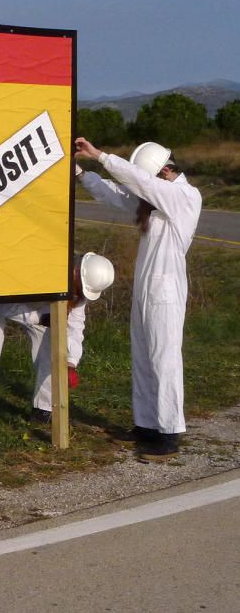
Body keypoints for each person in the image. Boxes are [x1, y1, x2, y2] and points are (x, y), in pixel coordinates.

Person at [75, 138, 202, 460]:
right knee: (143, 356)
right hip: (148, 290)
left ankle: (170, 431)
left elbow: (139, 181)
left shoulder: (184, 196)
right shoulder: (155, 201)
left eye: (153, 178)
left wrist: (100, 156)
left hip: (167, 292)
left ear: (166, 171)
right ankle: (146, 424)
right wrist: (78, 172)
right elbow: (115, 194)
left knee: (164, 359)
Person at [0, 253, 115, 429]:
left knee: (51, 348)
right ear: (76, 271)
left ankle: (44, 409)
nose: (79, 293)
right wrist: (41, 319)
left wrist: (71, 361)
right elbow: (5, 305)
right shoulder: (40, 269)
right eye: (80, 287)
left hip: (38, 309)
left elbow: (75, 326)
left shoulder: (79, 289)